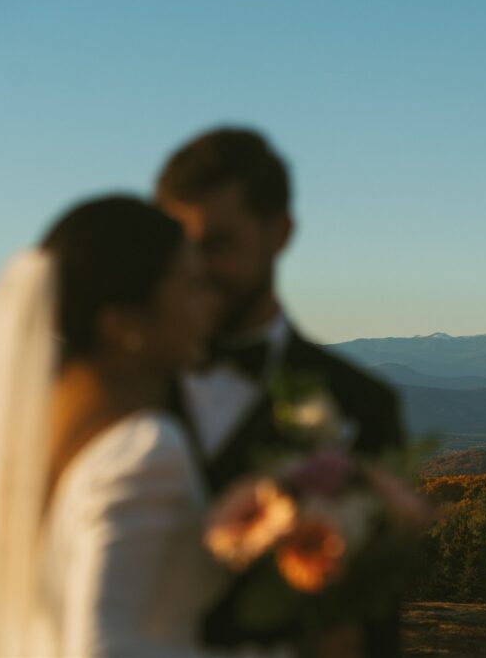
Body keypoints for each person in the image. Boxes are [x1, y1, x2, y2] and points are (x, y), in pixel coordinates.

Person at [0, 196, 226, 657]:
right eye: (190, 287)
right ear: (121, 323)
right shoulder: (144, 451)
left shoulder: (31, 441)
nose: (211, 305)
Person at [156, 128, 406, 657]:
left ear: (280, 233)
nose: (196, 269)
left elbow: (376, 628)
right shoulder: (123, 394)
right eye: (183, 248)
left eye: (219, 244)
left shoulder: (362, 406)